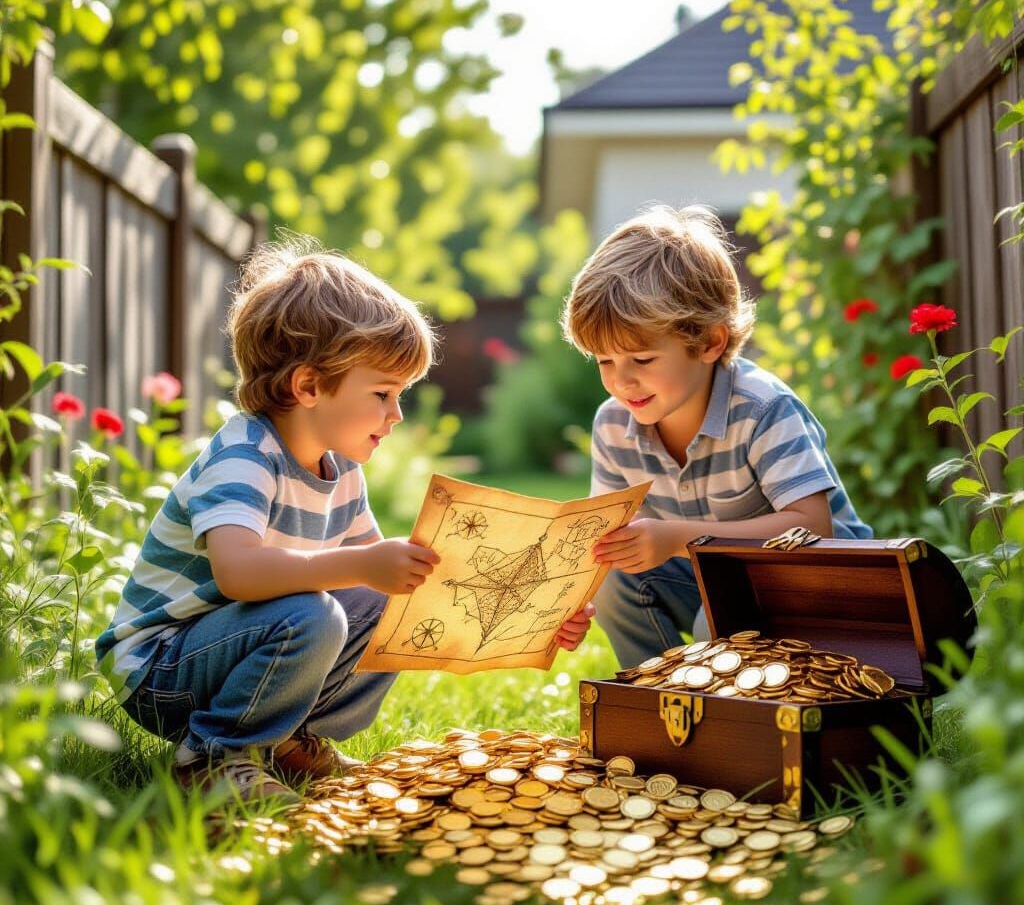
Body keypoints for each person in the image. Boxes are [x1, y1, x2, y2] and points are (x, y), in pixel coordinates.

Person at [97, 239, 594, 803]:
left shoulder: (342, 469)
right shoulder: (244, 456)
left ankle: (285, 741)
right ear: (308, 386)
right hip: (162, 669)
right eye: (383, 392)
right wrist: (360, 563)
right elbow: (238, 573)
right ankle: (211, 762)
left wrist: (538, 613)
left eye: (401, 394)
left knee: (387, 603)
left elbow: (394, 591)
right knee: (314, 613)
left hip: (234, 652)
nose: (397, 413)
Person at [561, 205, 872, 670]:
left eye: (642, 360)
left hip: (825, 592)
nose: (621, 381)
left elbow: (814, 528)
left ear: (710, 343)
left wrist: (681, 537)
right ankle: (657, 699)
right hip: (717, 584)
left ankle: (721, 708)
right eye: (604, 361)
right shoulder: (614, 424)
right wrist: (566, 605)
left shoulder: (763, 409)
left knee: (722, 615)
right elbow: (606, 541)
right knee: (616, 583)